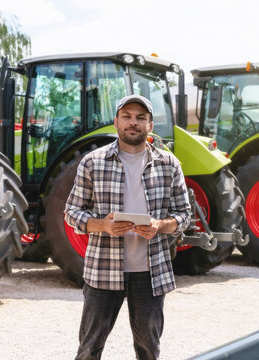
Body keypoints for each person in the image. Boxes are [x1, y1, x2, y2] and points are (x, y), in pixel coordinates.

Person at [64, 94, 192, 360]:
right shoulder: (93, 162)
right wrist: (102, 225)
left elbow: (184, 215)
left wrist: (160, 225)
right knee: (89, 349)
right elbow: (72, 212)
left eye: (140, 118)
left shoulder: (169, 164)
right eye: (127, 116)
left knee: (149, 351)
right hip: (102, 271)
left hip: (150, 273)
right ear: (116, 122)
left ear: (150, 125)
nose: (133, 122)